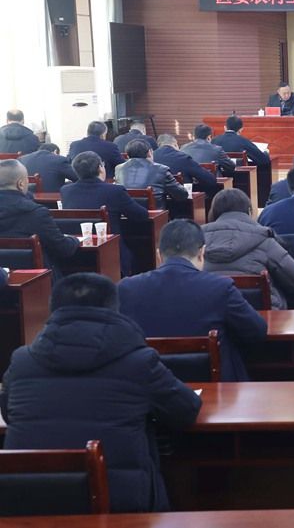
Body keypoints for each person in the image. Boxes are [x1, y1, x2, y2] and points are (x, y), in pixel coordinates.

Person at [0, 273, 201, 512]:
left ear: (52, 310)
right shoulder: (138, 362)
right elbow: (185, 411)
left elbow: (9, 413)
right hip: (121, 505)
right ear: (115, 309)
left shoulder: (22, 361)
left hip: (26, 502)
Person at [118, 220, 267, 381]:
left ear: (159, 255)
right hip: (215, 389)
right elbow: (257, 330)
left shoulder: (127, 289)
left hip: (148, 388)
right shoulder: (220, 287)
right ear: (202, 253)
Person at [202, 189, 294, 310]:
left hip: (210, 315)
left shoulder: (197, 242)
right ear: (249, 211)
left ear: (213, 213)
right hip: (263, 316)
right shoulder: (264, 238)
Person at [61, 151, 149, 276]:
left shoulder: (66, 191)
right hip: (111, 253)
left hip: (77, 254)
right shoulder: (115, 190)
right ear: (100, 168)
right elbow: (141, 215)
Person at [0, 159, 79, 273]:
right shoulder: (35, 213)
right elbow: (63, 249)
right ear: (21, 184)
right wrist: (74, 239)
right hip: (37, 279)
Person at [115, 140, 189, 209]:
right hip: (156, 214)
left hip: (126, 212)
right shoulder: (161, 169)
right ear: (149, 152)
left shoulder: (118, 169)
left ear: (127, 156)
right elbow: (182, 195)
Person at [153, 133, 217, 192]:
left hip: (157, 197)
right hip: (182, 197)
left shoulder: (152, 157)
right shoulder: (182, 157)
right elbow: (209, 179)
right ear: (175, 144)